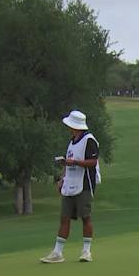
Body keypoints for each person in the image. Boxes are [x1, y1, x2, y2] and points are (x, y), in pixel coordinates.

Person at [40, 110, 100, 264]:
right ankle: (57, 252)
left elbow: (93, 162)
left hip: (84, 184)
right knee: (64, 217)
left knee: (85, 217)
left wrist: (76, 163)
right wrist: (62, 179)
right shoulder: (71, 142)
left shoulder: (89, 140)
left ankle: (86, 251)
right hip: (70, 183)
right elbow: (69, 162)